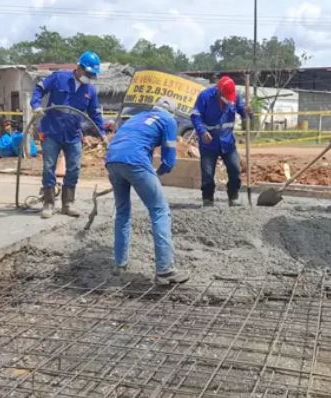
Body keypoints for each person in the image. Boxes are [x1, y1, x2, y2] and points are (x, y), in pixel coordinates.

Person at [105, 96, 189, 285]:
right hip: (134, 161)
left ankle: (119, 264)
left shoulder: (137, 118)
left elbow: (140, 144)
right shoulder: (168, 120)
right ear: (172, 112)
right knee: (160, 211)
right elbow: (168, 161)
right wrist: (158, 173)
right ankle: (165, 271)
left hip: (112, 160)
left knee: (123, 212)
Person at [30, 50, 106, 219]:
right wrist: (35, 105)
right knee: (49, 167)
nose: (90, 77)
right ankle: (48, 203)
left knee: (73, 168)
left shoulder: (90, 91)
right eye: (88, 73)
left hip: (72, 135)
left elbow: (94, 114)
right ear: (79, 68)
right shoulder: (58, 78)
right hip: (52, 131)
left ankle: (67, 204)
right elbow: (39, 89)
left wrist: (102, 133)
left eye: (93, 74)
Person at [190, 75, 251, 207]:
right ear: (219, 91)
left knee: (235, 169)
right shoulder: (205, 97)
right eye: (226, 97)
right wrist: (202, 131)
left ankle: (233, 197)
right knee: (207, 174)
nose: (228, 100)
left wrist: (247, 113)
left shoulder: (236, 97)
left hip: (228, 142)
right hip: (208, 143)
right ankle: (207, 199)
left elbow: (242, 110)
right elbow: (195, 116)